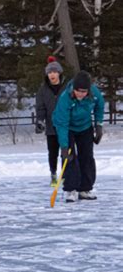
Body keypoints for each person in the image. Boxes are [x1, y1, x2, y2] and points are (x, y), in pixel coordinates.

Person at [52, 70, 105, 203]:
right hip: (67, 127)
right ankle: (71, 189)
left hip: (85, 126)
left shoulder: (94, 93)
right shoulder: (65, 98)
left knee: (87, 156)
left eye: (84, 91)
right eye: (78, 91)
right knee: (70, 158)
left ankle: (85, 189)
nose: (81, 94)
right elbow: (62, 124)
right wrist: (64, 146)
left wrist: (98, 125)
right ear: (74, 89)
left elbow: (100, 106)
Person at [35, 56, 66, 186]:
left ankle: (66, 175)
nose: (52, 75)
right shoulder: (42, 90)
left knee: (66, 152)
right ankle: (53, 174)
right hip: (51, 127)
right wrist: (40, 121)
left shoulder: (67, 87)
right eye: (49, 73)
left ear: (59, 73)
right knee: (52, 153)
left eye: (54, 72)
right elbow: (40, 108)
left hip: (65, 126)